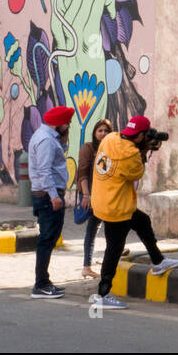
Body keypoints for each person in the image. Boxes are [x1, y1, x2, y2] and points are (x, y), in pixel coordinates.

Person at [90, 116, 178, 310]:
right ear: (140, 136)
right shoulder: (130, 155)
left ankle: (158, 262)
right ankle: (102, 293)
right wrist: (145, 150)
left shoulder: (111, 138)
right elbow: (136, 174)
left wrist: (142, 146)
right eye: (145, 135)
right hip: (117, 207)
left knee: (142, 221)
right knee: (114, 249)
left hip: (103, 200)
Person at [28, 106, 73, 299]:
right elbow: (44, 170)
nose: (68, 125)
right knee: (47, 239)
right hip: (48, 196)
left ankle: (44, 281)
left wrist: (63, 142)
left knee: (48, 238)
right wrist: (54, 196)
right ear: (59, 122)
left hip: (46, 194)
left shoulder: (46, 136)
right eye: (67, 122)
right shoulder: (46, 139)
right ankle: (41, 284)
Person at [77, 118, 114, 278]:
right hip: (92, 195)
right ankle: (87, 266)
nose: (103, 133)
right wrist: (86, 195)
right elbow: (82, 173)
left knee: (111, 230)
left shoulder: (112, 149)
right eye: (100, 131)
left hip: (108, 196)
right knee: (92, 230)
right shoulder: (88, 148)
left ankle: (104, 262)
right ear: (95, 132)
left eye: (106, 131)